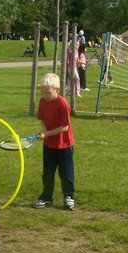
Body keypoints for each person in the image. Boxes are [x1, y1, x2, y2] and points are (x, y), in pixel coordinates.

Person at [32, 73, 76, 210]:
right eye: (43, 92)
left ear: (57, 89)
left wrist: (47, 133)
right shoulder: (42, 102)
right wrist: (44, 131)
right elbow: (43, 119)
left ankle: (68, 197)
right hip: (49, 145)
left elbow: (65, 127)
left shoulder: (63, 104)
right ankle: (46, 197)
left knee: (66, 173)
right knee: (47, 173)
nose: (45, 95)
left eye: (48, 92)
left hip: (64, 145)